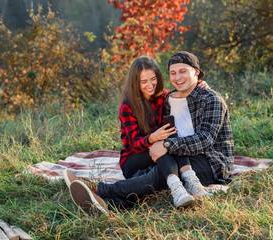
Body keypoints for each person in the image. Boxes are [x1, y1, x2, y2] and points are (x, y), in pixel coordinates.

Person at [66, 51, 234, 216]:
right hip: (146, 156)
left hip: (211, 162)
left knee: (161, 172)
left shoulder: (210, 99)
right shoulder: (170, 99)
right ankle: (110, 205)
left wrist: (165, 145)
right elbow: (138, 142)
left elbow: (205, 139)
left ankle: (101, 190)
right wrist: (158, 142)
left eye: (183, 71)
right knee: (163, 167)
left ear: (196, 72)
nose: (177, 77)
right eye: (173, 73)